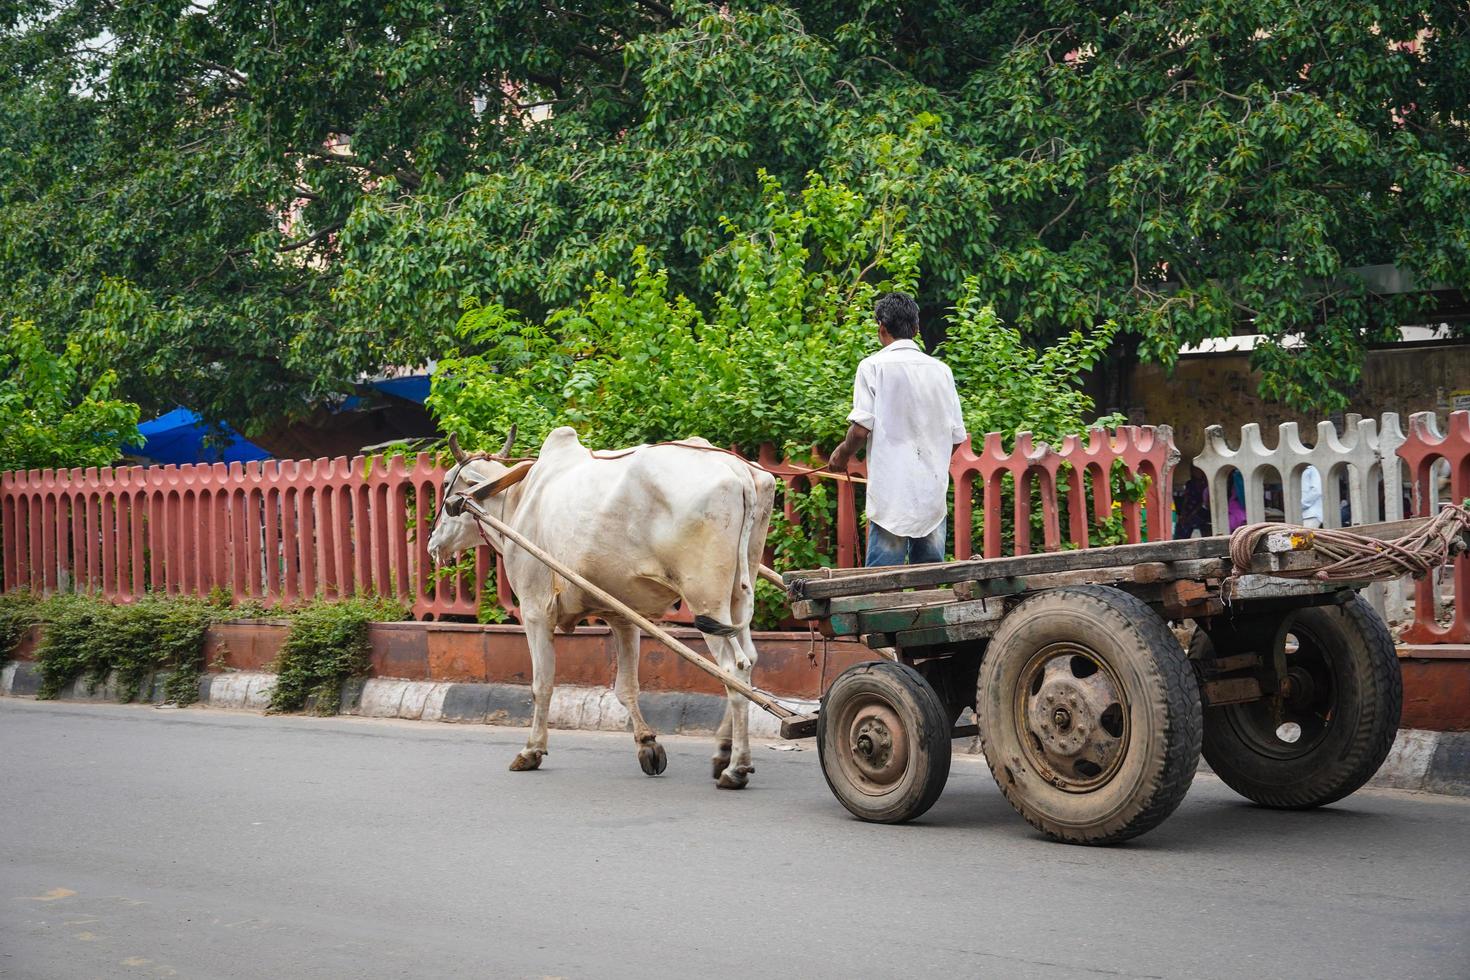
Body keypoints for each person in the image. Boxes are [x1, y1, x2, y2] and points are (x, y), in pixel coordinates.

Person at [827, 292, 967, 566]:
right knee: (928, 579)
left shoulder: (872, 367)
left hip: (890, 497)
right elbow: (956, 437)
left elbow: (859, 431)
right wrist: (932, 461)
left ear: (881, 329)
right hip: (931, 495)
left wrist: (842, 455)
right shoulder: (941, 371)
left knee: (881, 583)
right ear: (916, 329)